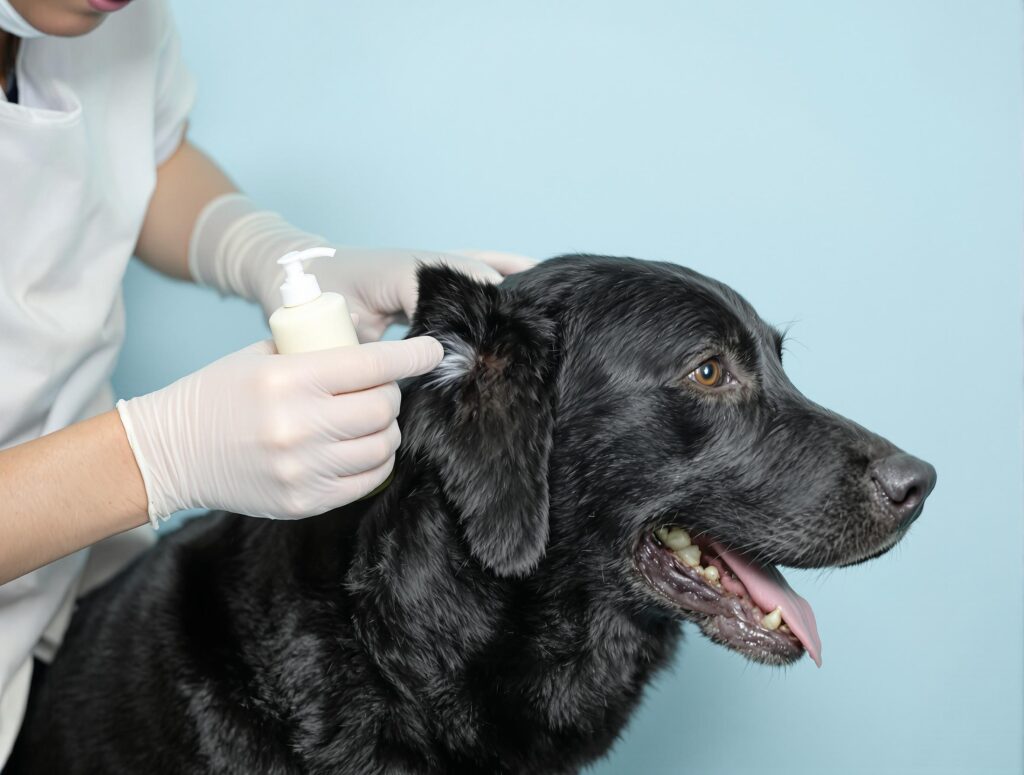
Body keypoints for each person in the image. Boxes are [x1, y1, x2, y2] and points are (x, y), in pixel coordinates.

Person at [0, 0, 535, 764]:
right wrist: (155, 455)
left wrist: (272, 254)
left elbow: (137, 154)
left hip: (76, 589)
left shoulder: (105, 18)